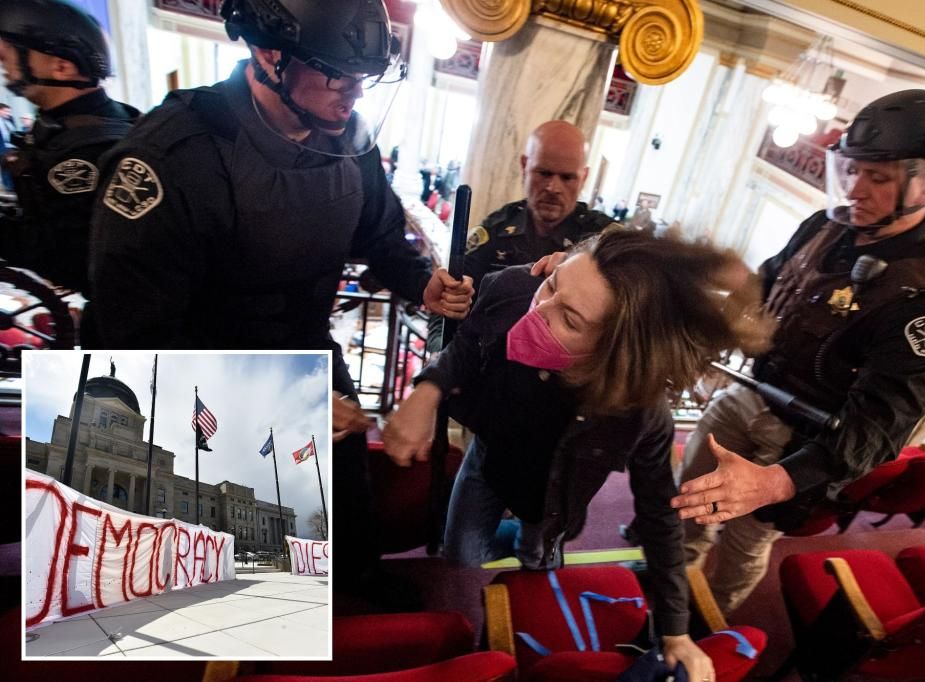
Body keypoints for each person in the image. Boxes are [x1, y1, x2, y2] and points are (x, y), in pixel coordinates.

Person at [88, 0, 473, 609]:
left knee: (343, 510)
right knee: (234, 553)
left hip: (309, 350)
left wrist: (420, 281)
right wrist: (275, 402)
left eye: (364, 77)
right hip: (205, 379)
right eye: (336, 74)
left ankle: (351, 585)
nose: (354, 95)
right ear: (270, 54)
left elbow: (377, 232)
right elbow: (131, 341)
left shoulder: (344, 133)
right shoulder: (176, 158)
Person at [385, 229, 772, 680]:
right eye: (553, 285)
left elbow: (659, 515)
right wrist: (427, 390)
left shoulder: (640, 414)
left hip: (555, 498)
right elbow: (467, 345)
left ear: (615, 352)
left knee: (536, 569)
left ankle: (516, 560)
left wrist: (674, 630)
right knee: (462, 555)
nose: (538, 310)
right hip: (492, 456)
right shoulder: (513, 287)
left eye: (569, 319)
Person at [672, 89, 925, 616]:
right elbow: (767, 285)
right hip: (748, 396)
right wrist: (706, 333)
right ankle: (667, 581)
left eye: (878, 178)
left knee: (743, 543)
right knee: (688, 502)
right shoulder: (823, 226)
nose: (856, 189)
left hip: (800, 439)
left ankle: (701, 625)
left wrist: (775, 481)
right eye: (852, 170)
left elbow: (880, 426)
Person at [427, 120, 619, 350]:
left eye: (567, 177)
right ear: (525, 166)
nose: (553, 188)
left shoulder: (604, 241)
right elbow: (447, 302)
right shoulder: (496, 230)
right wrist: (440, 353)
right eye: (544, 173)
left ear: (584, 177)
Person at [0, 0, 139, 299]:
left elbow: (68, 257)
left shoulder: (83, 150)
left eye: (12, 54)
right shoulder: (87, 121)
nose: (5, 64)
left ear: (62, 67)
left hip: (119, 308)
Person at [0, 104, 17, 190]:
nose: (9, 113)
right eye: (7, 111)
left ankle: (16, 186)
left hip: (13, 147)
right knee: (5, 168)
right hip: (2, 149)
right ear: (0, 111)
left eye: (9, 111)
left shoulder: (10, 119)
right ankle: (9, 187)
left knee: (15, 167)